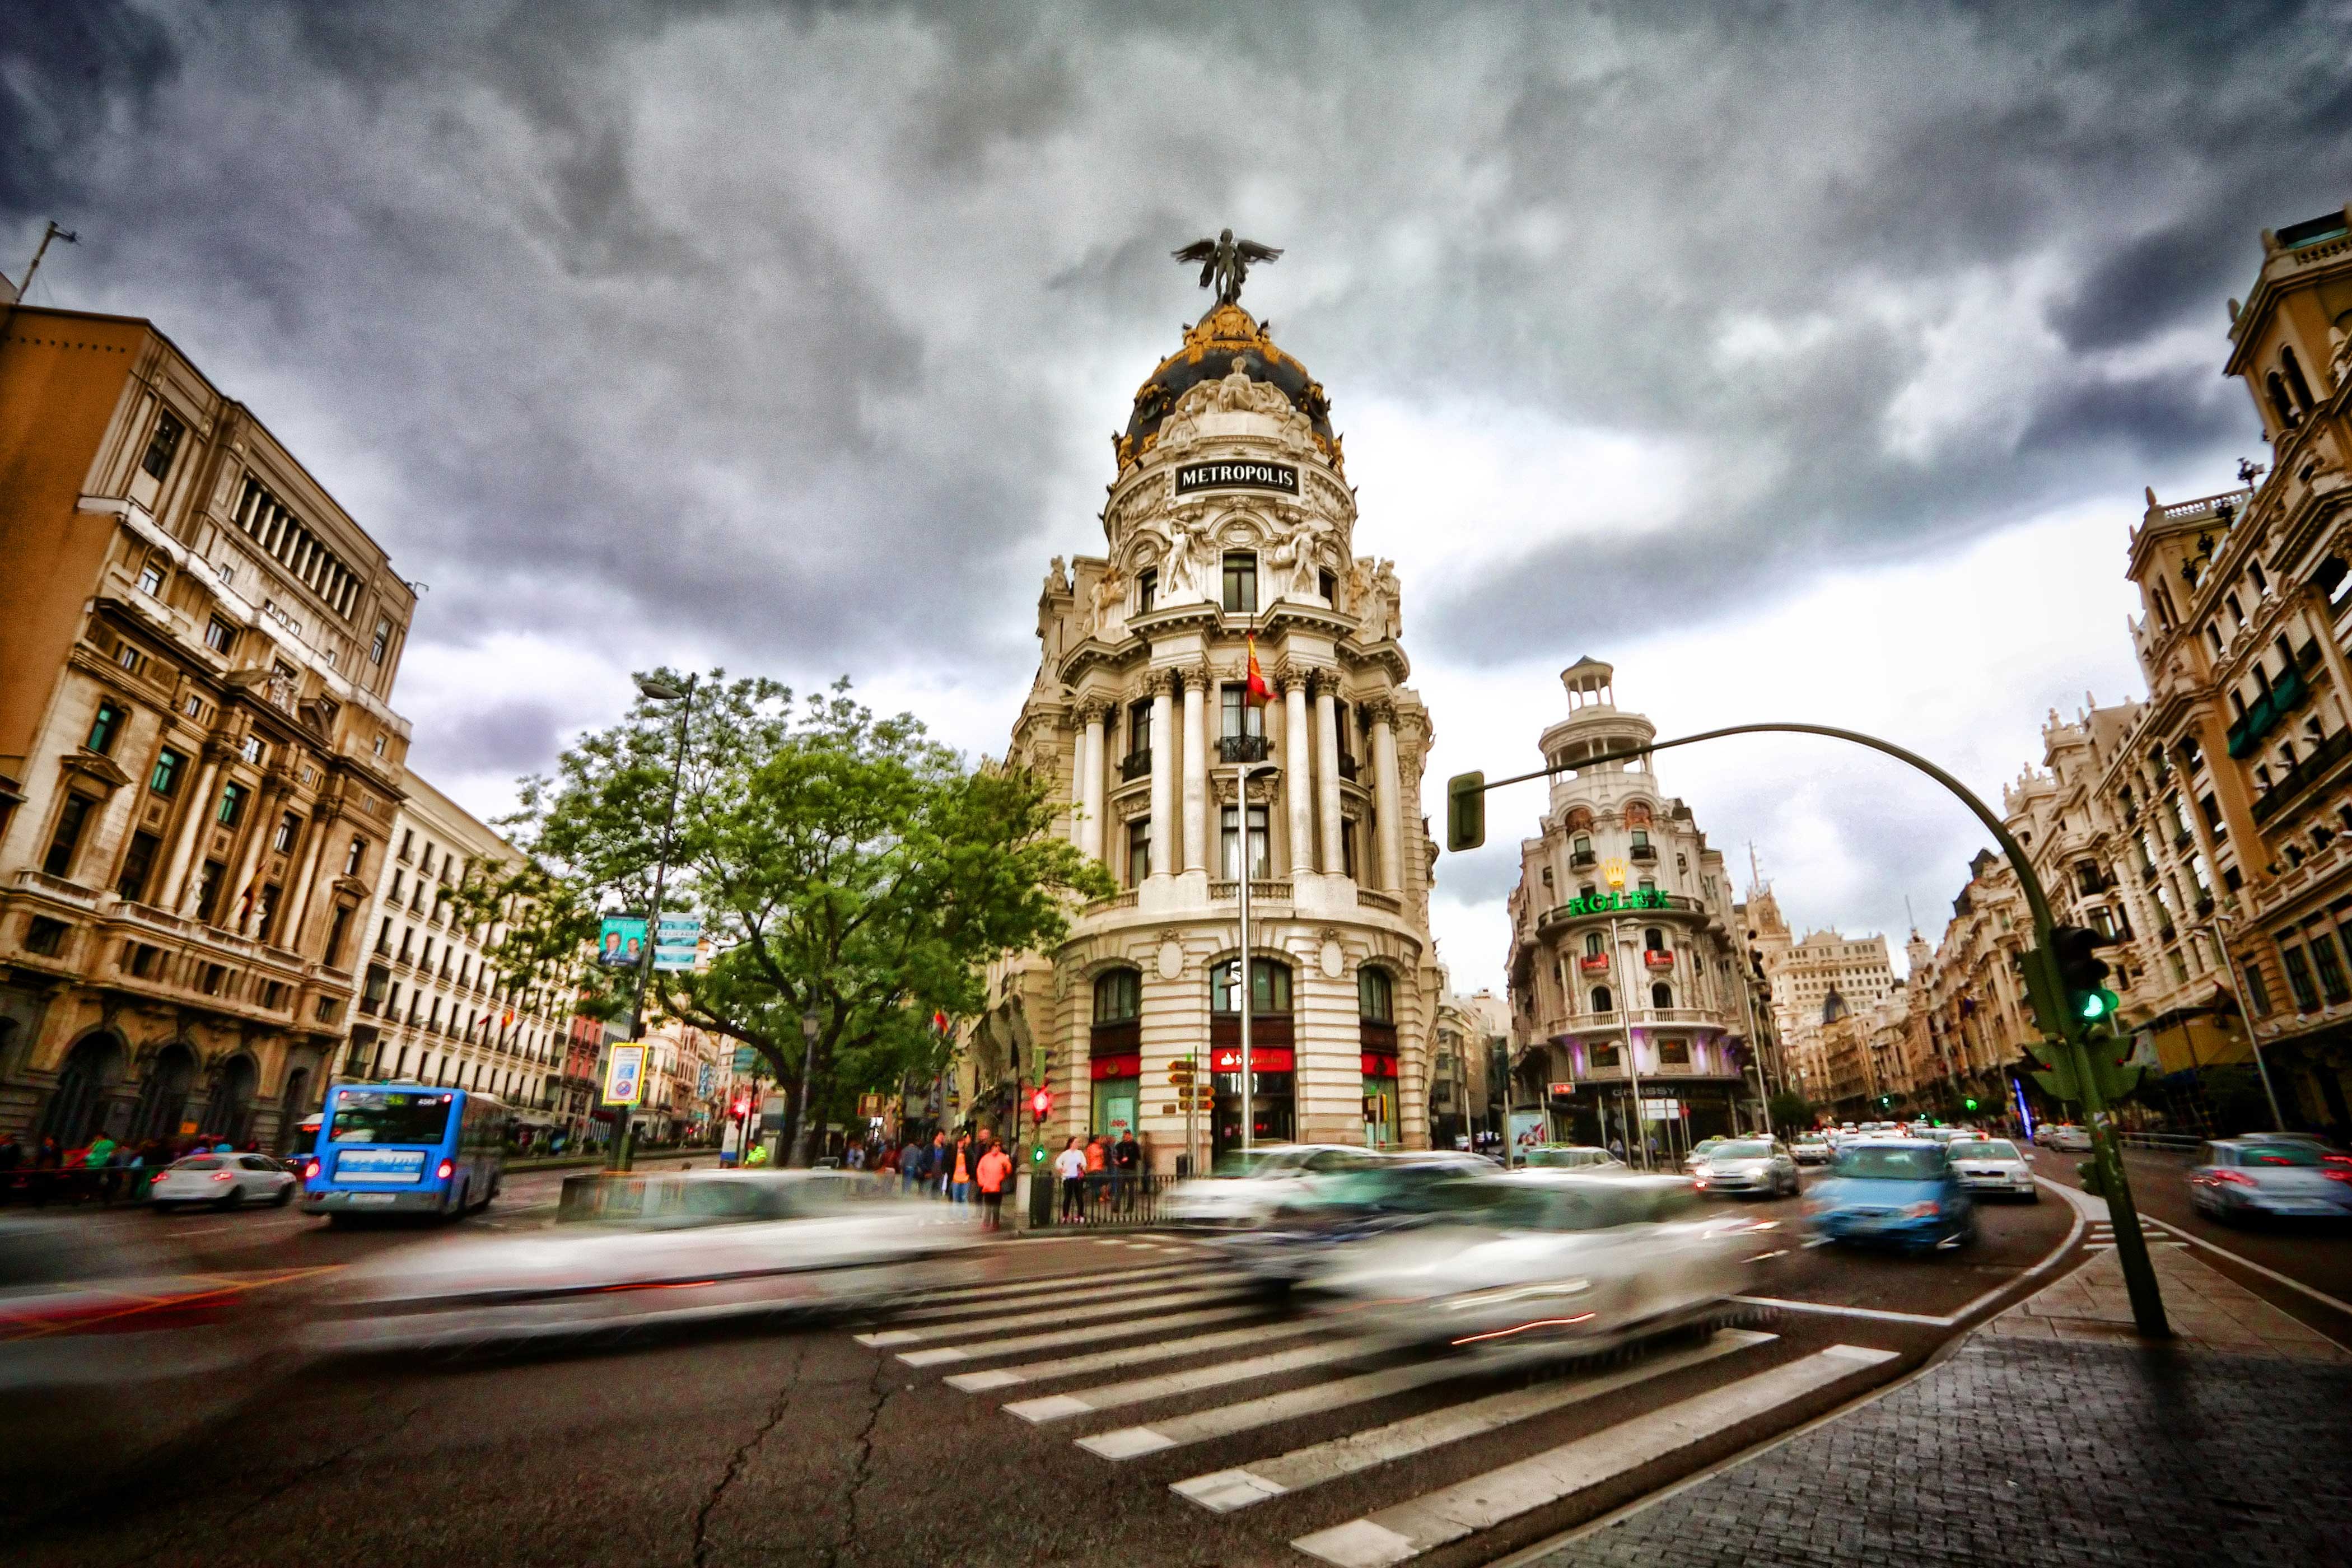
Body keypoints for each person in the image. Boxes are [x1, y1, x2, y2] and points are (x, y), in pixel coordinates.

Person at [976, 1138, 1012, 1230]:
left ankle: (995, 1224)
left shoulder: (1003, 1158)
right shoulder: (986, 1158)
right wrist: (982, 1182)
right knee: (988, 1206)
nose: (997, 1148)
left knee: (996, 1207)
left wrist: (1007, 1167)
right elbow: (980, 1170)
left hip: (998, 1186)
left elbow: (1009, 1170)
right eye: (995, 1146)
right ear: (991, 1147)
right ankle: (986, 1223)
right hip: (988, 1186)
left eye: (998, 1146)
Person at [1053, 1136, 1087, 1223]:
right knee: (1068, 1197)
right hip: (1068, 1177)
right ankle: (1065, 1216)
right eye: (1076, 1142)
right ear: (1071, 1143)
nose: (1077, 1144)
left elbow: (1084, 1163)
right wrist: (1061, 1169)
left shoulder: (1080, 1153)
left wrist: (1082, 1166)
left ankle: (1081, 1215)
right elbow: (1058, 1162)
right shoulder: (1066, 1153)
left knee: (1079, 1197)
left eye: (1078, 1142)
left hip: (1077, 1177)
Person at [1112, 1127, 1141, 1214]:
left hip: (1131, 1169)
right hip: (1121, 1169)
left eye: (1128, 1135)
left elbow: (1138, 1157)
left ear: (1131, 1135)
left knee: (1131, 1190)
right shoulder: (1120, 1145)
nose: (1126, 1137)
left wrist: (1128, 1158)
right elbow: (1114, 1154)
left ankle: (1130, 1208)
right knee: (1120, 1189)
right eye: (1125, 1135)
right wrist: (1115, 1160)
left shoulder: (1135, 1145)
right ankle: (1117, 1207)